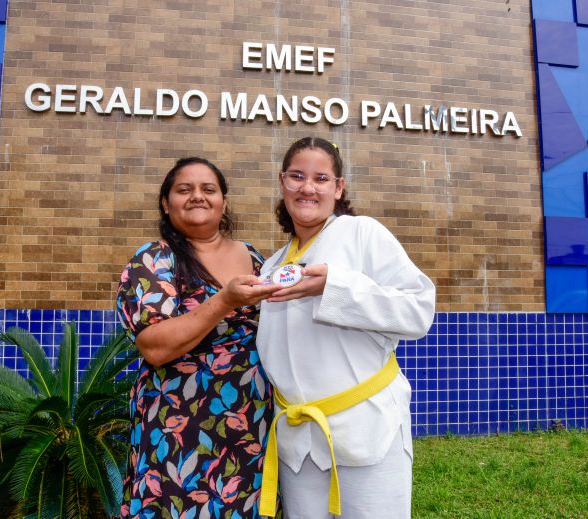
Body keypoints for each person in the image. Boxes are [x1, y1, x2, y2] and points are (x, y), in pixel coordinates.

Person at [256, 137, 436, 518]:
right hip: (297, 441)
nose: (308, 187)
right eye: (297, 176)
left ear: (338, 188)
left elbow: (418, 310)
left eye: (321, 178)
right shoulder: (270, 268)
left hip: (366, 429)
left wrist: (334, 287)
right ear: (282, 182)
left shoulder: (363, 234)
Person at [116, 157, 282, 519]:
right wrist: (224, 300)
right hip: (178, 425)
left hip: (249, 421)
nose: (197, 196)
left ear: (223, 201)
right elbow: (155, 347)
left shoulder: (254, 258)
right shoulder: (154, 259)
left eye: (208, 189)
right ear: (166, 202)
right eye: (184, 189)